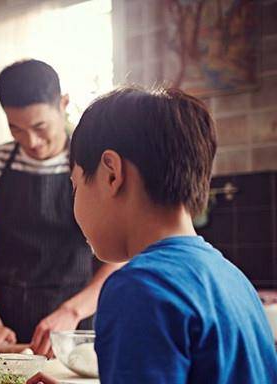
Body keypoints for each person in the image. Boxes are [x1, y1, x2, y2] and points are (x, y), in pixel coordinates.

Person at [27, 87, 277, 384]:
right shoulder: (233, 279)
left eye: (75, 185)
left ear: (111, 174)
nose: (74, 203)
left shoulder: (139, 289)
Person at [0, 59, 121, 355]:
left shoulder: (95, 165)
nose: (30, 141)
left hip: (78, 324)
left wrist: (73, 311)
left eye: (39, 126)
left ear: (63, 104)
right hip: (6, 324)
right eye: (16, 129)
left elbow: (120, 255)